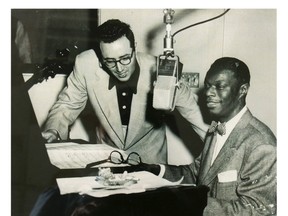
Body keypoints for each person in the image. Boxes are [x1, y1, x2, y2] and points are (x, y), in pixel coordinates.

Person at [41, 19, 208, 164]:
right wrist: (53, 131)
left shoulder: (159, 70)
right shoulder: (86, 64)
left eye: (125, 58)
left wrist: (219, 147)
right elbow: (67, 104)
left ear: (134, 47)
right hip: (106, 162)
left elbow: (194, 114)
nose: (119, 68)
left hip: (150, 165)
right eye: (110, 61)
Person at [137, 57, 276, 215]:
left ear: (242, 90)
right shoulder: (215, 129)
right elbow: (196, 174)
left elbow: (259, 210)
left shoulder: (261, 145)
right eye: (208, 86)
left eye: (219, 86)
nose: (209, 93)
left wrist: (194, 202)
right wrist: (154, 170)